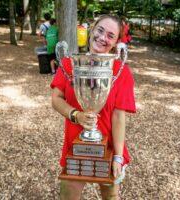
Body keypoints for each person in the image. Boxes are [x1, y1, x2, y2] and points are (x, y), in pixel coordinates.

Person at [50, 15, 136, 199]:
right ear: (92, 29)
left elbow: (119, 116)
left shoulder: (121, 71)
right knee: (68, 196)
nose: (103, 38)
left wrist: (118, 156)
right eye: (100, 30)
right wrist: (76, 115)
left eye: (110, 36)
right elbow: (56, 98)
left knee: (110, 197)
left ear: (116, 43)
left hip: (110, 148)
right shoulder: (69, 63)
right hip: (76, 144)